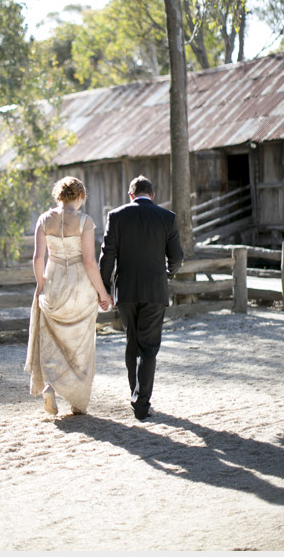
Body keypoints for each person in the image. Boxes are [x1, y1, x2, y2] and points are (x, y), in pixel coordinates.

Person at [25, 177, 113, 416]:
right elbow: (89, 262)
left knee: (53, 342)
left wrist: (41, 283)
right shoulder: (85, 221)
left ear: (59, 196)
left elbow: (37, 258)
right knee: (81, 345)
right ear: (80, 196)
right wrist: (103, 293)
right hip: (79, 287)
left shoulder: (44, 220)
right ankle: (77, 401)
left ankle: (50, 385)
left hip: (53, 283)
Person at [99, 176, 183, 421]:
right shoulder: (167, 218)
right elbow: (176, 257)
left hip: (125, 291)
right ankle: (141, 403)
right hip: (155, 290)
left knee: (132, 342)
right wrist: (168, 273)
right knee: (149, 347)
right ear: (152, 195)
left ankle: (136, 395)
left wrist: (105, 289)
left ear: (130, 195)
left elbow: (107, 257)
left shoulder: (116, 216)